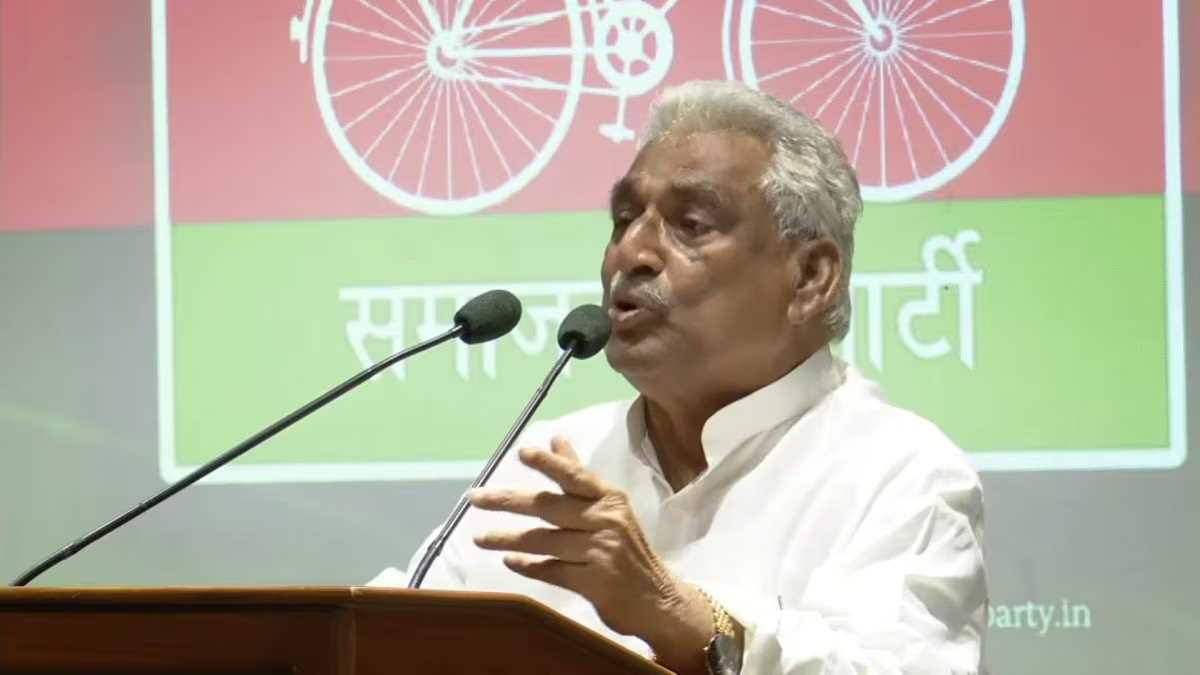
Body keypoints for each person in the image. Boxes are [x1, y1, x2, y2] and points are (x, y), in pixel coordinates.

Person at [372, 80, 987, 675]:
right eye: (623, 219)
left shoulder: (900, 474)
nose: (631, 253)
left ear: (810, 277)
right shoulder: (550, 463)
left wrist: (678, 616)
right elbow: (386, 635)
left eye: (691, 224)